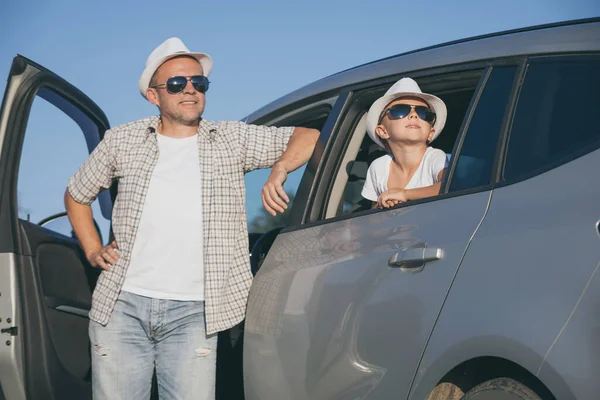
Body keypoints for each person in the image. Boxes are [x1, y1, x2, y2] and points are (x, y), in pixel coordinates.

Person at [64, 37, 319, 400]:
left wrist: (279, 168)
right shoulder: (122, 141)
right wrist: (92, 249)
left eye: (198, 83)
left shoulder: (230, 139)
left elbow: (309, 136)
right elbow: (76, 194)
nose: (190, 90)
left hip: (195, 313)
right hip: (123, 307)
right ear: (154, 96)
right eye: (176, 83)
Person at [361, 77, 448, 208]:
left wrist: (405, 194)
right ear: (382, 131)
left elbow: (449, 185)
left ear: (430, 133)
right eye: (400, 110)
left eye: (424, 113)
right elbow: (373, 209)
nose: (414, 115)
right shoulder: (378, 167)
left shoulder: (434, 158)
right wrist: (384, 203)